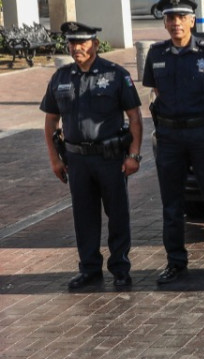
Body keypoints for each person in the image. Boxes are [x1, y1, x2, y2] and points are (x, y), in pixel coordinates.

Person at [41, 22, 143, 290]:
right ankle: (89, 268)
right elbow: (51, 122)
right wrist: (55, 159)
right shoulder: (61, 77)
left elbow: (134, 117)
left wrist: (134, 155)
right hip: (76, 160)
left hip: (110, 157)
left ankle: (120, 267)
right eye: (72, 43)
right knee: (84, 216)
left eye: (83, 42)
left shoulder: (115, 74)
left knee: (117, 214)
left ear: (95, 44)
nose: (77, 48)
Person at [143, 0, 204, 284]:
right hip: (170, 136)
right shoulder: (156, 54)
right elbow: (155, 91)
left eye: (182, 17)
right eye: (170, 18)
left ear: (192, 20)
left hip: (203, 134)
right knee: (172, 204)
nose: (176, 23)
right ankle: (175, 262)